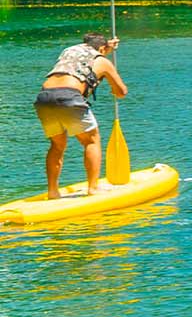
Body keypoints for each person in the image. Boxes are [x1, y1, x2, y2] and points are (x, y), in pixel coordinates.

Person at [35, 32, 128, 199]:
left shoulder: (69, 51)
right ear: (101, 48)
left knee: (57, 146)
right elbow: (121, 92)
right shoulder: (103, 62)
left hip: (44, 98)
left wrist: (108, 46)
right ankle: (93, 188)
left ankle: (53, 191)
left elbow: (88, 54)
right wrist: (114, 87)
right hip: (69, 97)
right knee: (91, 141)